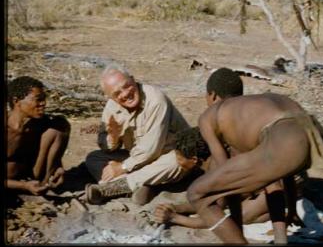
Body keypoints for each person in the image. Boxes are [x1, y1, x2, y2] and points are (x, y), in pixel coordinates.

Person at [186, 67, 323, 244]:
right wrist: (291, 209)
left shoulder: (210, 116)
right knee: (268, 179)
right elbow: (279, 177)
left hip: (286, 137)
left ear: (212, 95)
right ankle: (280, 240)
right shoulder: (254, 108)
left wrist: (236, 227)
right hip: (314, 133)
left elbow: (226, 180)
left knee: (196, 193)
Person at [154, 125, 307, 237]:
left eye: (179, 157)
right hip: (275, 173)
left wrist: (175, 218)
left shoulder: (217, 168)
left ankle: (281, 211)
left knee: (243, 216)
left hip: (284, 180)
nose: (177, 161)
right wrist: (177, 207)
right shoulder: (215, 157)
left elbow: (217, 218)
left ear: (194, 159)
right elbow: (213, 202)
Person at [84, 64, 192, 205]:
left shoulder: (155, 100)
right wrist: (113, 137)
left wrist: (121, 167)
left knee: (175, 162)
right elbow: (106, 145)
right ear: (110, 97)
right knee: (94, 158)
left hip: (168, 154)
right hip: (138, 159)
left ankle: (109, 189)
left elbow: (151, 149)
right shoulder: (112, 106)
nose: (125, 94)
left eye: (127, 86)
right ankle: (143, 186)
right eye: (117, 93)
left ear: (134, 80)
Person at [7, 76, 70, 196]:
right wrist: (23, 186)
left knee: (59, 126)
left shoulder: (39, 123)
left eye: (44, 99)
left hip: (30, 176)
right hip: (10, 183)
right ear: (16, 101)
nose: (43, 104)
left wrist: (58, 168)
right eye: (38, 99)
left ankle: (45, 184)